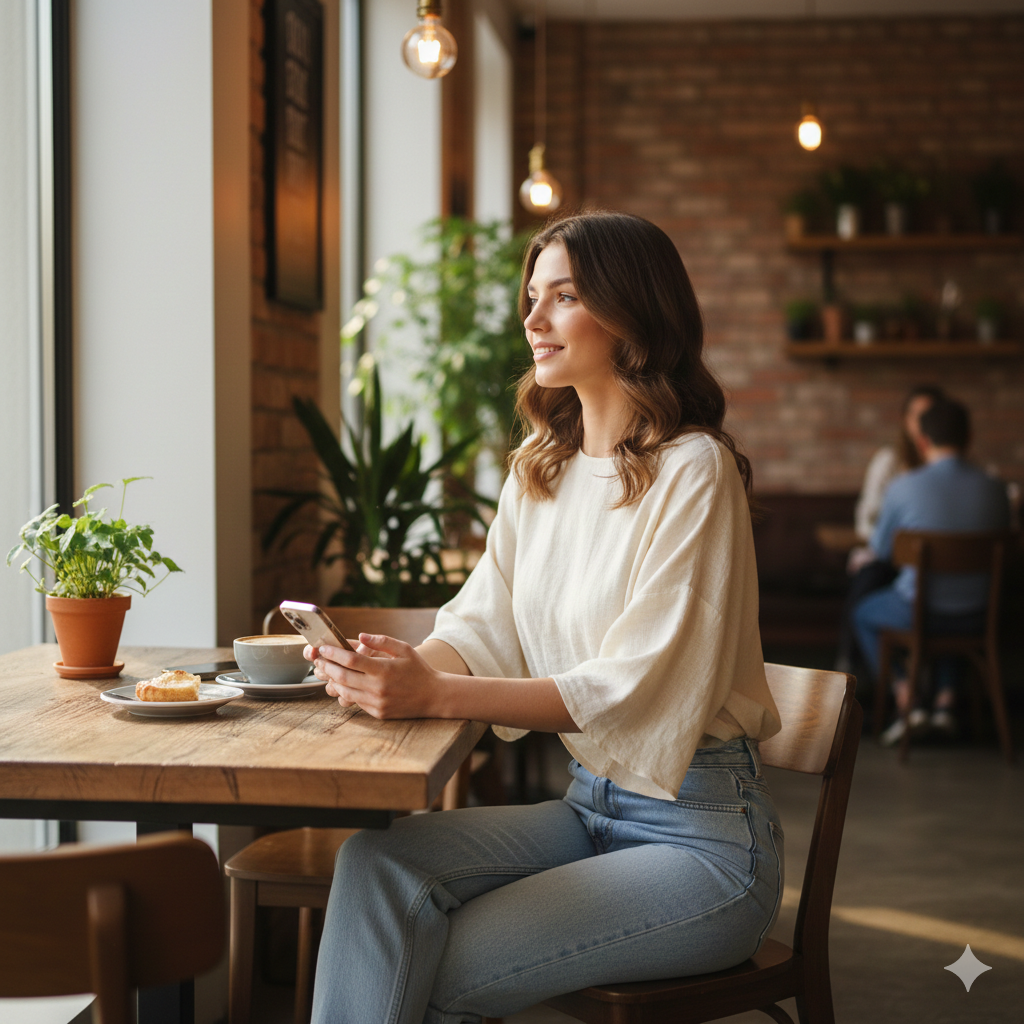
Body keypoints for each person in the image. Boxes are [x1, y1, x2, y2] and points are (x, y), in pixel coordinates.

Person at [306, 212, 784, 1024]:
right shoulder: (541, 470)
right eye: (532, 296)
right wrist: (412, 669)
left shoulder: (693, 470)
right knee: (374, 865)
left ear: (633, 313)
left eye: (563, 297)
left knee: (421, 965)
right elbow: (483, 624)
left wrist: (435, 698)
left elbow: (631, 687)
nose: (532, 319)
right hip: (586, 807)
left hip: (700, 841)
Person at [853, 397, 1010, 745]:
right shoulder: (998, 490)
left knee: (863, 611)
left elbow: (880, 550)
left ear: (922, 441)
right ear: (969, 438)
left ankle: (909, 698)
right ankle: (946, 703)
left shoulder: (903, 487)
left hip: (918, 613)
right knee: (953, 596)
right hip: (980, 615)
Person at [834, 385, 945, 675]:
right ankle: (848, 666)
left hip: (931, 563)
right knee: (867, 578)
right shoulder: (889, 462)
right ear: (905, 420)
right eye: (914, 415)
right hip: (888, 554)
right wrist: (885, 545)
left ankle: (908, 683)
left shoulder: (945, 469)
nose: (920, 423)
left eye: (928, 415)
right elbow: (867, 515)